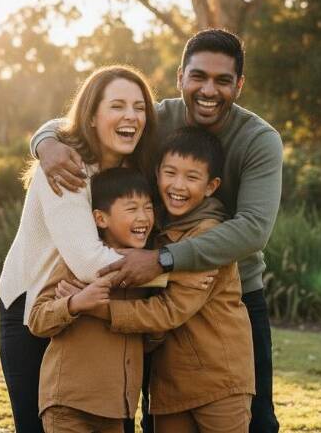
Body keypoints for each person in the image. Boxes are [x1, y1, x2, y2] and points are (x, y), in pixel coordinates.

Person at [32, 29, 283, 433]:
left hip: (230, 292)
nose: (208, 90)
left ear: (239, 84)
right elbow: (84, 117)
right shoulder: (157, 117)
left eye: (222, 80)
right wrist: (45, 141)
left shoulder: (258, 140)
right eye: (198, 76)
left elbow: (253, 229)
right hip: (150, 285)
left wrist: (163, 259)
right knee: (160, 410)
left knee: (256, 419)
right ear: (181, 76)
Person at [0, 65, 160, 433]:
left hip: (96, 304)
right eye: (117, 105)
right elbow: (89, 262)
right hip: (33, 305)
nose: (130, 116)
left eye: (139, 107)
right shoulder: (64, 167)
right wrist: (170, 268)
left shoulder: (134, 169)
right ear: (91, 116)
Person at [85, 126, 255, 433]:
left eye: (192, 177)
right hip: (169, 383)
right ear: (157, 174)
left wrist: (99, 309)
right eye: (170, 173)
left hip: (219, 378)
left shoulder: (209, 236)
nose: (178, 185)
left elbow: (169, 310)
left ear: (211, 185)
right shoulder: (151, 227)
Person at [28, 168, 157, 433]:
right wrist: (76, 303)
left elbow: (153, 335)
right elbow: (37, 319)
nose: (143, 217)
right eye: (131, 209)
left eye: (148, 207)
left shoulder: (148, 274)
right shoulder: (77, 262)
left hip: (116, 410)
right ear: (100, 218)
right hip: (69, 405)